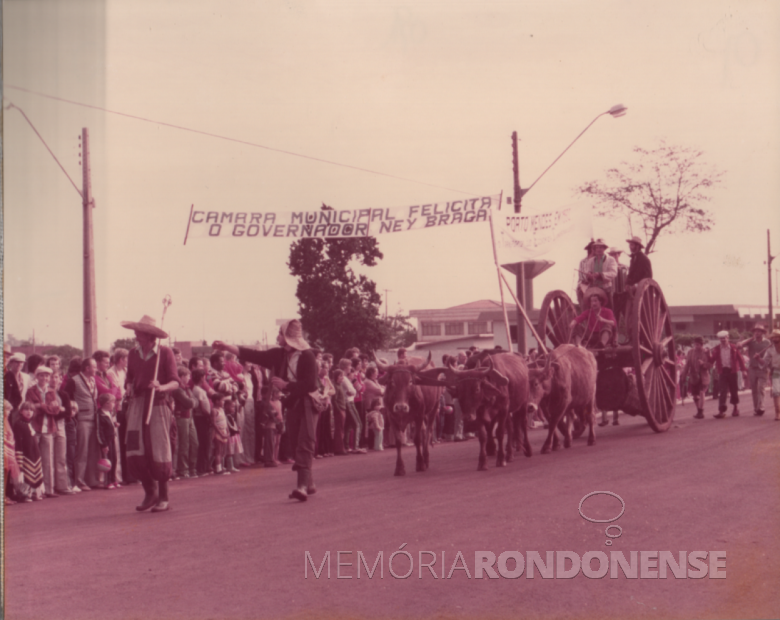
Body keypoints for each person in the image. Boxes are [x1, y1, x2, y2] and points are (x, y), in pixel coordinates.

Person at [213, 319, 319, 502]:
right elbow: (253, 355)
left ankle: (301, 487)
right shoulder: (279, 355)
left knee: (305, 442)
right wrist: (226, 346)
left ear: (287, 337)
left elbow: (311, 384)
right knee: (296, 442)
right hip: (294, 403)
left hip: (308, 403)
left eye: (280, 333)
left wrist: (287, 385)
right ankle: (309, 483)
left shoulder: (307, 356)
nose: (278, 336)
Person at [121, 314, 179, 513]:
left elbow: (175, 382)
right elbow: (129, 378)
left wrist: (160, 386)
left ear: (149, 336)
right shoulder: (132, 354)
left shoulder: (165, 352)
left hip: (158, 403)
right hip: (137, 403)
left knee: (159, 449)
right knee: (135, 449)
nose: (136, 335)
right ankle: (150, 492)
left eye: (139, 333)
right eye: (136, 332)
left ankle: (164, 497)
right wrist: (128, 387)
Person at [27, 365, 69, 497]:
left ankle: (48, 490)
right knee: (33, 459)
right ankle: (33, 491)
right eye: (41, 375)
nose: (44, 378)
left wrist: (41, 406)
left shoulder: (51, 392)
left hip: (49, 428)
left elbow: (56, 411)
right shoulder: (31, 390)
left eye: (46, 376)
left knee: (48, 460)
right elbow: (30, 408)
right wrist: (47, 407)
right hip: (35, 427)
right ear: (36, 377)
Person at [62, 357, 101, 491]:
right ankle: (79, 481)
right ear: (87, 368)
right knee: (82, 452)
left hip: (93, 419)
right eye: (94, 366)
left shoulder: (93, 380)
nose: (96, 369)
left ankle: (91, 480)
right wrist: (73, 411)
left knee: (92, 451)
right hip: (82, 419)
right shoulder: (74, 380)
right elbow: (65, 396)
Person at [711, 330, 748, 418]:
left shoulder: (734, 348)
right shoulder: (716, 349)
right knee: (722, 391)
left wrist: (744, 370)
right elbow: (711, 360)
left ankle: (735, 408)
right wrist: (706, 355)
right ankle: (721, 411)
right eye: (721, 339)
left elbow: (741, 359)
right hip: (722, 371)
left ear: (728, 338)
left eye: (724, 338)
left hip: (732, 371)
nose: (723, 340)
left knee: (733, 390)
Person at [171, 366, 200, 478]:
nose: (189, 378)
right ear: (181, 376)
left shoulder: (186, 388)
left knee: (194, 443)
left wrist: (192, 402)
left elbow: (195, 402)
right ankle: (183, 469)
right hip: (182, 418)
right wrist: (192, 403)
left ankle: (192, 468)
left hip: (190, 417)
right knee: (184, 444)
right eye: (187, 376)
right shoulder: (178, 389)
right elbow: (190, 403)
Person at [737, 324, 771, 416]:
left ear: (763, 332)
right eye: (755, 331)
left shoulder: (767, 342)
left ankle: (761, 407)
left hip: (763, 368)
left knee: (761, 388)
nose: (757, 332)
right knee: (754, 390)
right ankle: (756, 408)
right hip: (752, 368)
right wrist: (751, 339)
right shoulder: (751, 342)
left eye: (759, 331)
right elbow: (739, 346)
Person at [581, 239, 618, 308]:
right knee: (591, 309)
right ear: (594, 249)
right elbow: (587, 271)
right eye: (597, 247)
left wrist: (600, 275)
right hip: (593, 289)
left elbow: (613, 273)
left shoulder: (610, 260)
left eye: (601, 247)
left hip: (606, 288)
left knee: (608, 309)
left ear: (604, 248)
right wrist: (589, 275)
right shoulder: (591, 261)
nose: (598, 249)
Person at [681, 337, 712, 419]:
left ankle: (701, 411)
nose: (696, 346)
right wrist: (684, 375)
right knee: (695, 396)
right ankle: (698, 410)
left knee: (702, 392)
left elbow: (710, 365)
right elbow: (687, 364)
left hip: (703, 375)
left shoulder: (706, 353)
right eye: (695, 344)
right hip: (693, 376)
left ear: (702, 345)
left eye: (698, 345)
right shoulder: (690, 352)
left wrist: (703, 364)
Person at [95, 393, 119, 489]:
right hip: (106, 442)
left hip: (112, 439)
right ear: (106, 403)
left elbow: (108, 423)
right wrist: (103, 445)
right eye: (113, 402)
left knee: (114, 459)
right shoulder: (99, 414)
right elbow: (99, 430)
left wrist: (114, 424)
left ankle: (113, 480)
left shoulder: (109, 412)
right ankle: (107, 481)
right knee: (107, 462)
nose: (114, 404)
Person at [761, 329, 780, 421]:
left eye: (777, 336)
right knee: (776, 392)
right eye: (773, 337)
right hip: (776, 371)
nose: (775, 338)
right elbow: (765, 361)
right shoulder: (770, 349)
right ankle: (777, 413)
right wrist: (758, 359)